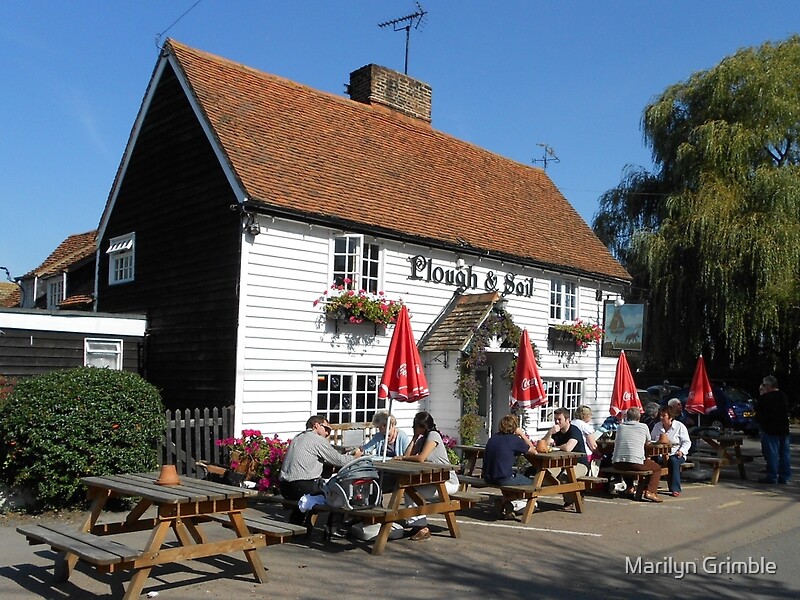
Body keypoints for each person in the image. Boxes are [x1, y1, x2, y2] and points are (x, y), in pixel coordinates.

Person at [279, 415, 362, 525]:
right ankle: (334, 529)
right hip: (300, 486)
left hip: (285, 487)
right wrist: (356, 457)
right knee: (338, 493)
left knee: (318, 489)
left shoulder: (297, 437)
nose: (327, 433)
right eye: (326, 429)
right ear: (316, 425)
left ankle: (297, 524)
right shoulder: (316, 439)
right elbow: (340, 460)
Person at [394, 411, 459, 540]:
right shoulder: (423, 438)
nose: (414, 429)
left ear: (423, 426)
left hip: (448, 481)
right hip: (434, 479)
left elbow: (421, 458)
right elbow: (409, 453)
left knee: (412, 492)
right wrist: (413, 438)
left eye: (415, 426)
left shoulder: (433, 436)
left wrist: (404, 458)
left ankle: (422, 528)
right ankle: (418, 525)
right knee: (409, 490)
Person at [483, 414, 536, 519]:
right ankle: (504, 501)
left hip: (487, 477)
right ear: (515, 428)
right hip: (502, 478)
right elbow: (534, 451)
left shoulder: (493, 438)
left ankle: (507, 504)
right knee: (534, 485)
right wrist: (522, 434)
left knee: (513, 477)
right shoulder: (514, 440)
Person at [611, 406, 663, 502]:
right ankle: (650, 492)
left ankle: (630, 487)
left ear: (627, 417)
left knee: (627, 463)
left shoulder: (620, 427)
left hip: (617, 463)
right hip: (636, 462)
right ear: (639, 417)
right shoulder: (643, 427)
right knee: (656, 468)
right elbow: (648, 442)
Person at [756, 376, 792, 484]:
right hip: (783, 429)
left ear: (768, 386)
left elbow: (757, 408)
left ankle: (772, 476)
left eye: (764, 385)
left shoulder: (766, 397)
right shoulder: (783, 396)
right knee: (784, 455)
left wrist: (762, 394)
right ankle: (784, 476)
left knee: (772, 454)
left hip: (770, 429)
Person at [650, 407, 691, 496]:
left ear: (670, 417)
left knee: (673, 461)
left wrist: (681, 451)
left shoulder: (679, 426)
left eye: (664, 416)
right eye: (660, 416)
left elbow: (687, 442)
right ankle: (649, 486)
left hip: (675, 453)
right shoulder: (657, 426)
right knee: (652, 462)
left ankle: (675, 488)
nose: (661, 418)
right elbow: (652, 439)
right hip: (660, 454)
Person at [540, 407, 590, 478]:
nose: (557, 422)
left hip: (579, 463)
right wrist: (550, 432)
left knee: (565, 477)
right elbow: (543, 445)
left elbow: (568, 448)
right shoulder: (556, 431)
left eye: (559, 419)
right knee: (547, 476)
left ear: (567, 420)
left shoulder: (574, 430)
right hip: (561, 463)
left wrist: (555, 447)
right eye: (555, 419)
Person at [572, 405, 601, 475]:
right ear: (586, 415)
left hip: (573, 452)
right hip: (585, 455)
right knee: (602, 459)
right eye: (590, 414)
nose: (591, 416)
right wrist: (600, 453)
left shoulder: (571, 423)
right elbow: (593, 446)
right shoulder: (585, 426)